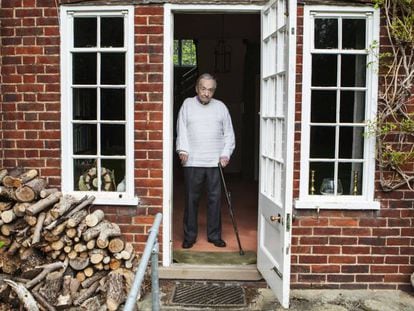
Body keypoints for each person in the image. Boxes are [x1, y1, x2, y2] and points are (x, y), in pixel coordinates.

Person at [176, 73, 235, 249]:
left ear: (214, 91)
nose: (206, 93)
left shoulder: (221, 107)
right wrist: (183, 150)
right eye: (203, 89)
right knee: (191, 200)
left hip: (214, 162)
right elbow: (182, 128)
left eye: (210, 90)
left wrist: (225, 155)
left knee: (215, 200)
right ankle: (189, 236)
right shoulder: (187, 104)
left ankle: (214, 235)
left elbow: (229, 134)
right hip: (193, 160)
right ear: (196, 88)